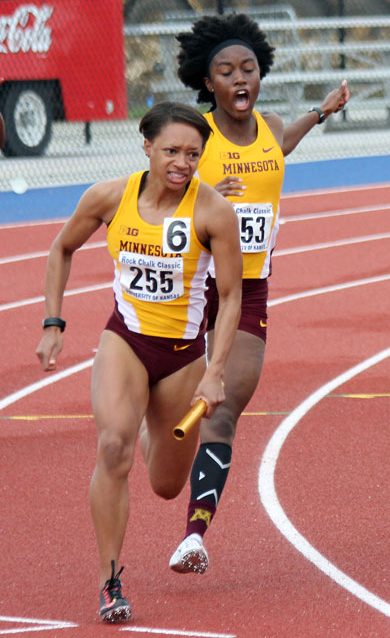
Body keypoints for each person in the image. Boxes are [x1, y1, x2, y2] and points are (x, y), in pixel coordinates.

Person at [34, 102, 242, 622]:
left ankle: (151, 429)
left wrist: (215, 370)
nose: (182, 163)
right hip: (124, 340)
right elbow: (61, 248)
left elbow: (233, 297)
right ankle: (110, 581)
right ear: (146, 146)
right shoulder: (109, 197)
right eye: (171, 150)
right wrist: (53, 323)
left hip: (182, 357)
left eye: (193, 153)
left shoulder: (213, 211)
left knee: (167, 485)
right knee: (112, 448)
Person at [167, 12, 348, 574]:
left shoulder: (267, 124)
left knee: (221, 411)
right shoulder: (193, 138)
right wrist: (195, 193)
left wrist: (320, 112)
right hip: (188, 290)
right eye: (226, 71)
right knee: (171, 415)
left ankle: (195, 536)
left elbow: (280, 146)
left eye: (248, 67)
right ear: (207, 82)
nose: (240, 78)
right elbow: (149, 201)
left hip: (246, 292)